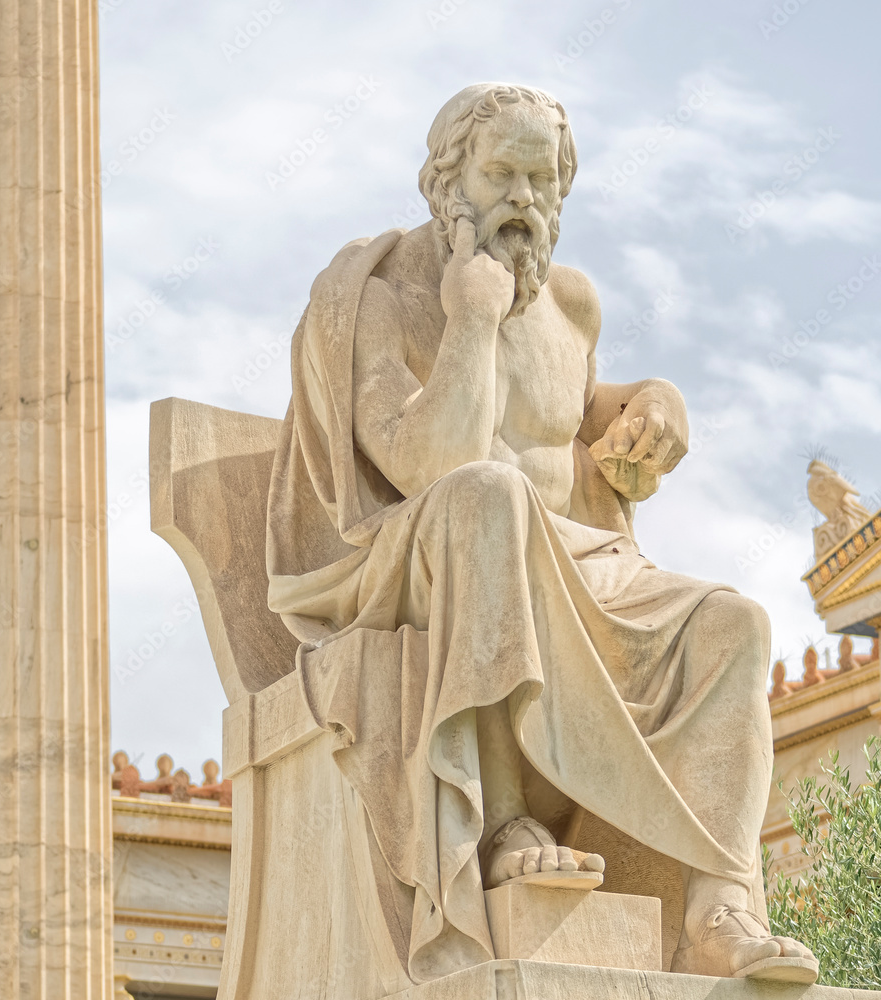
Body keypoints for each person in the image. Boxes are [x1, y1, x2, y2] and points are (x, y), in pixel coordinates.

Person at [266, 82, 817, 984]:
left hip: (570, 558)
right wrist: (472, 319)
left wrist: (653, 408)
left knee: (736, 622)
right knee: (488, 494)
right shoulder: (383, 297)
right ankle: (505, 814)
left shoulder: (571, 303)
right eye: (501, 173)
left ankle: (722, 903)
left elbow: (580, 416)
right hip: (416, 555)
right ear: (447, 183)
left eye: (542, 179)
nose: (523, 198)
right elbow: (428, 465)